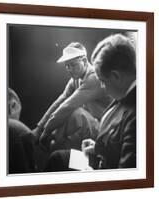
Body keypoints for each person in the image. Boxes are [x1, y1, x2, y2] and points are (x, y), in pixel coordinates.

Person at [45, 33, 136, 171]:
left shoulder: (136, 117)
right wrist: (97, 148)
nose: (102, 87)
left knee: (58, 163)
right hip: (98, 156)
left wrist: (91, 173)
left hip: (100, 170)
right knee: (57, 158)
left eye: (103, 82)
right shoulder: (124, 97)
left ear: (116, 76)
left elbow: (127, 180)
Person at [32, 42, 112, 152]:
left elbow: (67, 107)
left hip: (106, 131)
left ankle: (52, 144)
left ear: (84, 60)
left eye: (73, 65)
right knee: (69, 117)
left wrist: (45, 131)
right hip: (90, 126)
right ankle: (53, 145)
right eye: (67, 66)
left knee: (75, 113)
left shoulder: (94, 78)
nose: (70, 69)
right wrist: (39, 127)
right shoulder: (75, 79)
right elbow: (60, 102)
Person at [8, 88, 36, 173]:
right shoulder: (17, 129)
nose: (18, 120)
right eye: (18, 115)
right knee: (58, 158)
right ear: (13, 105)